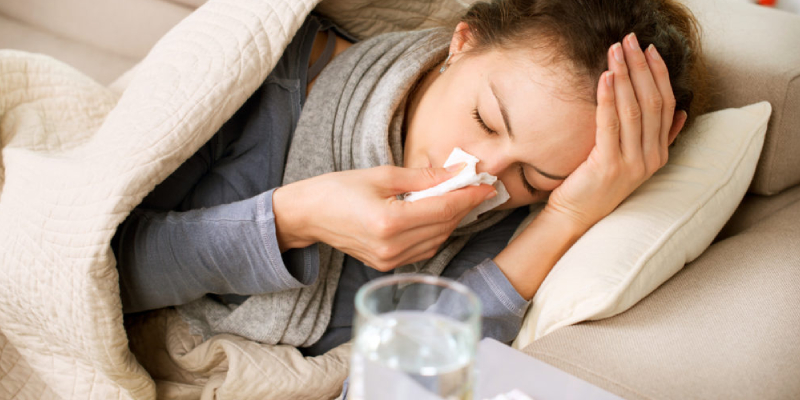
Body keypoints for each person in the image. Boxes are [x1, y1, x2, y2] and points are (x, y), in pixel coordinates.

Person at [113, 0, 705, 355]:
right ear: (462, 43)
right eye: (485, 120)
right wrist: (293, 219)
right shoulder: (260, 73)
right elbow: (97, 268)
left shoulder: (516, 214)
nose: (480, 177)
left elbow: (406, 374)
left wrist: (565, 217)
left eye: (534, 174)